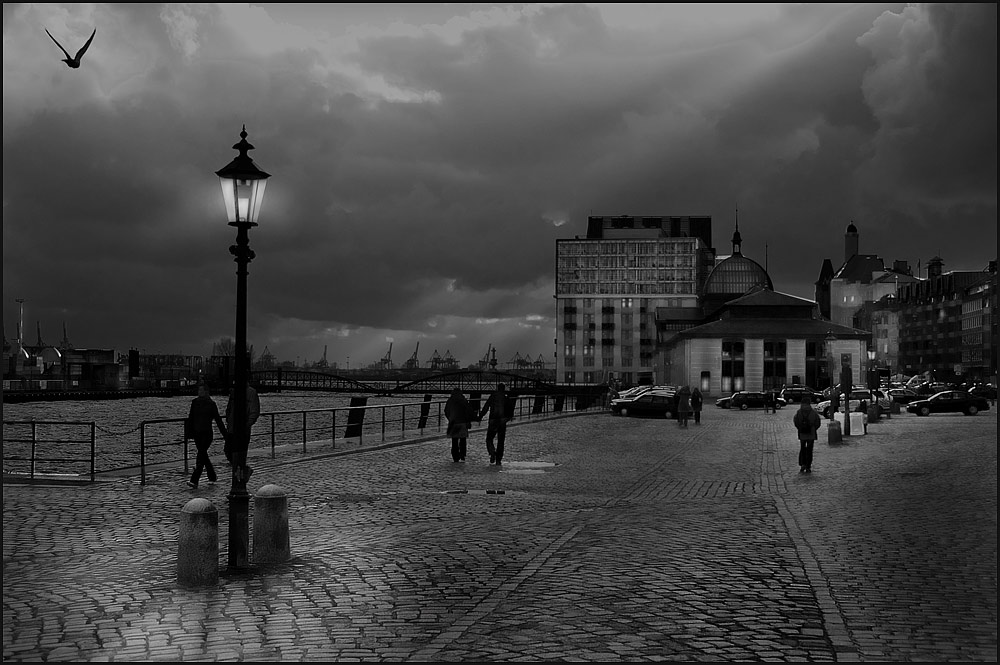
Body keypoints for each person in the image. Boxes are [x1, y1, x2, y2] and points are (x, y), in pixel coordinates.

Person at [185, 381, 228, 489]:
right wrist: (189, 433)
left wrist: (225, 435)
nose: (200, 392)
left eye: (202, 390)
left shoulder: (211, 404)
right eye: (199, 390)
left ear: (206, 392)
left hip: (207, 433)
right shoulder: (194, 402)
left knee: (201, 455)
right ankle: (212, 476)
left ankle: (194, 480)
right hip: (197, 433)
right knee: (203, 455)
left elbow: (218, 420)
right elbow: (191, 418)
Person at [225, 381, 260, 482]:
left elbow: (254, 411)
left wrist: (247, 424)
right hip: (232, 427)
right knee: (228, 451)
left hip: (242, 429)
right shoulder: (234, 392)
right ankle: (242, 470)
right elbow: (229, 408)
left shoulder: (251, 393)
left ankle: (238, 475)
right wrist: (228, 419)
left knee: (239, 453)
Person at [478, 383, 511, 465]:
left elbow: (486, 407)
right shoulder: (506, 398)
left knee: (489, 438)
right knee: (501, 440)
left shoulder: (493, 397)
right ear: (503, 389)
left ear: (497, 388)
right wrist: (506, 419)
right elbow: (510, 412)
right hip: (502, 421)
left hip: (493, 420)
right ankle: (499, 459)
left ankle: (492, 452)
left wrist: (480, 416)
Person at [792, 398, 821, 474]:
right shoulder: (813, 413)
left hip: (802, 434)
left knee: (802, 449)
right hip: (811, 434)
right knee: (809, 450)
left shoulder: (799, 412)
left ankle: (802, 464)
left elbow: (796, 422)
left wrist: (800, 428)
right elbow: (818, 422)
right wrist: (813, 429)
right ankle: (808, 466)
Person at [444, 388, 473, 463]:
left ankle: (455, 456)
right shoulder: (463, 400)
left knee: (454, 440)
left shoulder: (450, 401)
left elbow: (446, 410)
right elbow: (468, 411)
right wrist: (468, 421)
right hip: (462, 422)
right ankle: (462, 455)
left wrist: (450, 418)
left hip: (453, 423)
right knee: (463, 439)